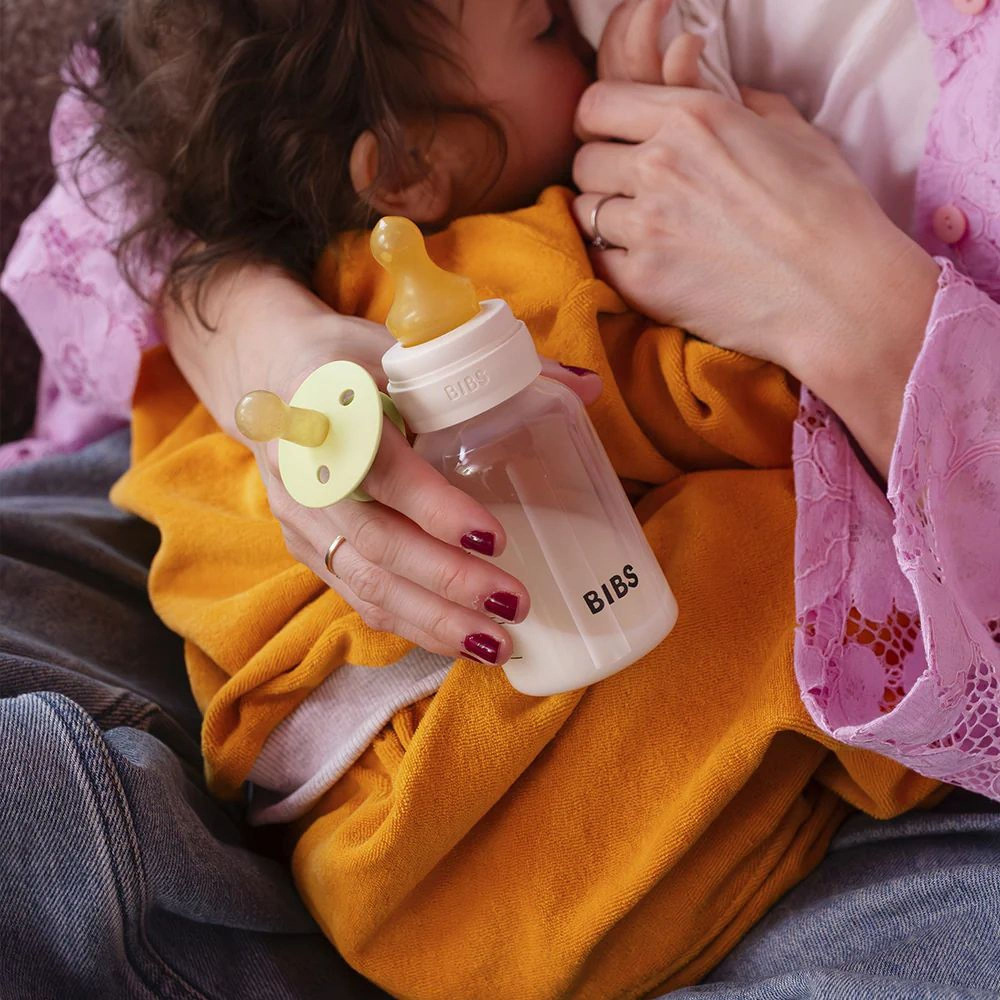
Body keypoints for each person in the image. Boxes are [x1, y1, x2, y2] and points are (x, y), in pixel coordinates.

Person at [1, 0, 998, 997]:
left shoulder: (446, 247)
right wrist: (242, 315)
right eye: (549, 29)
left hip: (360, 851)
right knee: (775, 535)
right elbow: (751, 412)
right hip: (501, 841)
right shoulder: (521, 270)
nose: (579, 27)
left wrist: (847, 299)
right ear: (403, 169)